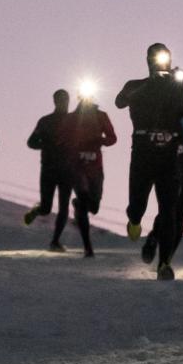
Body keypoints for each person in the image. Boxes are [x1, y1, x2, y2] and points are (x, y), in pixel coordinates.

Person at [115, 45, 183, 280]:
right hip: (143, 154)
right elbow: (119, 102)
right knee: (137, 207)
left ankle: (165, 263)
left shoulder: (175, 87)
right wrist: (149, 84)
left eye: (166, 58)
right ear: (148, 61)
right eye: (157, 58)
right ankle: (134, 220)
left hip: (169, 156)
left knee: (169, 211)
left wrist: (180, 86)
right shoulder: (135, 85)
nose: (162, 63)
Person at [23, 88, 81, 249]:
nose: (65, 104)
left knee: (64, 207)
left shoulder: (74, 121)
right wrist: (47, 145)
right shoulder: (45, 121)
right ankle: (38, 210)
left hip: (67, 169)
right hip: (49, 168)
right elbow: (31, 142)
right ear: (55, 102)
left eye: (66, 100)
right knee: (46, 207)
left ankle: (55, 241)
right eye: (62, 100)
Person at [63, 89, 117, 257]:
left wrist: (100, 140)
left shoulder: (101, 116)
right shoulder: (71, 118)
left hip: (96, 166)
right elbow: (61, 137)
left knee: (94, 206)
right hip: (77, 166)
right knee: (84, 199)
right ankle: (88, 248)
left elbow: (112, 138)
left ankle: (79, 205)